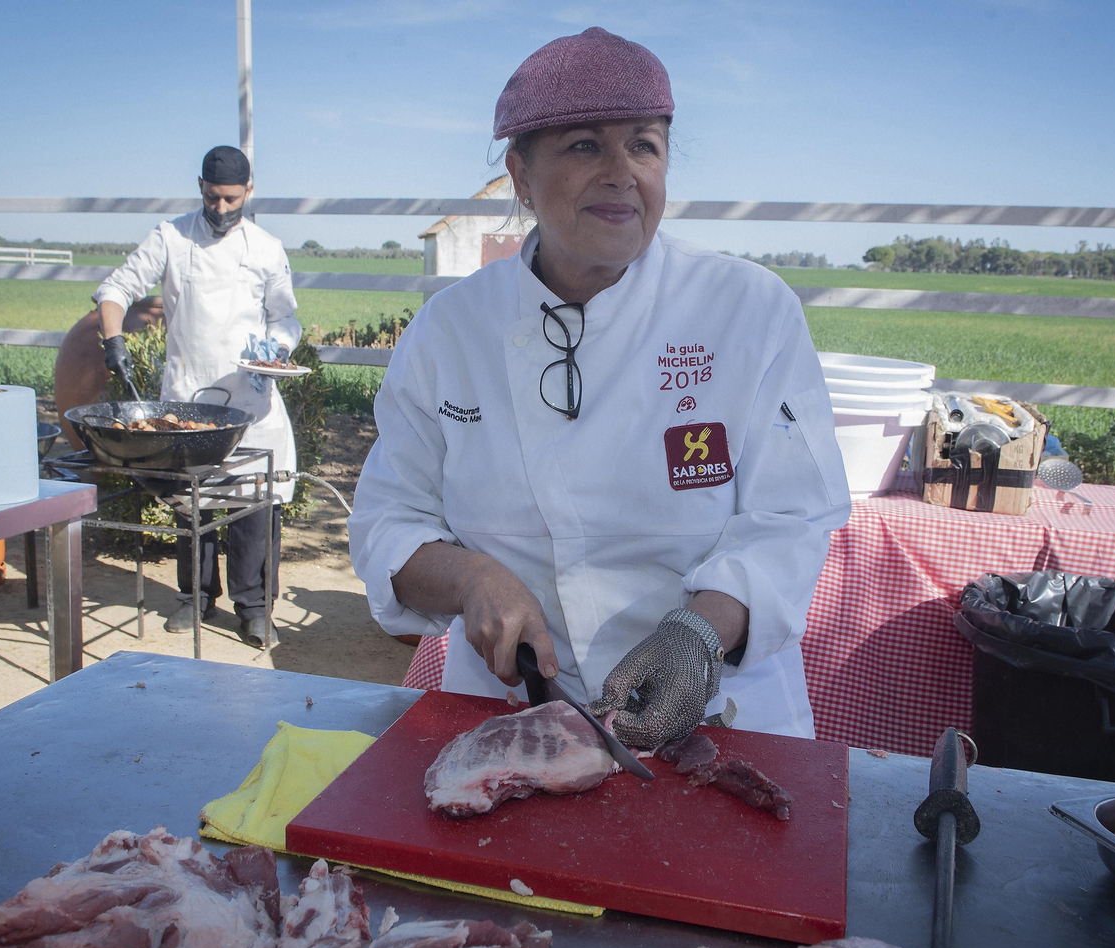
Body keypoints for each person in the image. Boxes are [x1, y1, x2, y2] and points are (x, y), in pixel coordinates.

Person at [349, 28, 852, 747]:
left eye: (643, 145)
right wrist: (469, 578)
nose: (622, 172)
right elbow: (386, 521)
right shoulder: (449, 331)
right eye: (586, 145)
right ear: (519, 176)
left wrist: (696, 634)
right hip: (511, 715)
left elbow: (790, 520)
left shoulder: (747, 311)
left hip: (723, 718)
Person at [93, 146, 299, 648]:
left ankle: (254, 608)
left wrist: (277, 349)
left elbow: (284, 316)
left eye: (231, 199)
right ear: (200, 189)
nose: (221, 209)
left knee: (254, 503)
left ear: (249, 192)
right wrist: (113, 340)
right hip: (187, 401)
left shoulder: (268, 248)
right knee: (194, 503)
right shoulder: (171, 237)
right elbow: (116, 288)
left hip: (250, 399)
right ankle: (194, 600)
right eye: (212, 198)